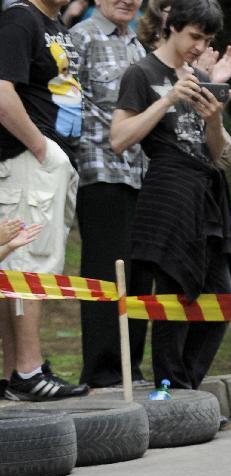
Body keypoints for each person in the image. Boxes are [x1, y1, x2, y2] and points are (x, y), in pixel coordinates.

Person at [111, 0, 231, 389]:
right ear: (172, 27)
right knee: (175, 297)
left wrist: (214, 118)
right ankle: (173, 388)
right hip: (167, 191)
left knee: (221, 302)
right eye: (195, 36)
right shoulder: (141, 72)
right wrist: (167, 98)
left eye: (207, 38)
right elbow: (119, 139)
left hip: (208, 192)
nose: (200, 46)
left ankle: (187, 387)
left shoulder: (199, 75)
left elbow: (219, 154)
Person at [0, 0, 89, 400]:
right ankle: (28, 371)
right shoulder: (21, 18)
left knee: (33, 265)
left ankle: (13, 374)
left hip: (49, 161)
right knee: (27, 264)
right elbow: (3, 94)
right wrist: (41, 148)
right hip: (28, 159)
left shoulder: (53, 23)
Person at [69, 0, 149, 388]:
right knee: (105, 272)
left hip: (140, 170)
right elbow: (64, 100)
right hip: (99, 168)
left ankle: (131, 369)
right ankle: (101, 371)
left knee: (137, 275)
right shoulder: (80, 37)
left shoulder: (138, 44)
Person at [135, 0, 231, 84]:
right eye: (174, 11)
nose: (200, 47)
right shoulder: (139, 50)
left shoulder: (193, 55)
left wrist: (210, 83)